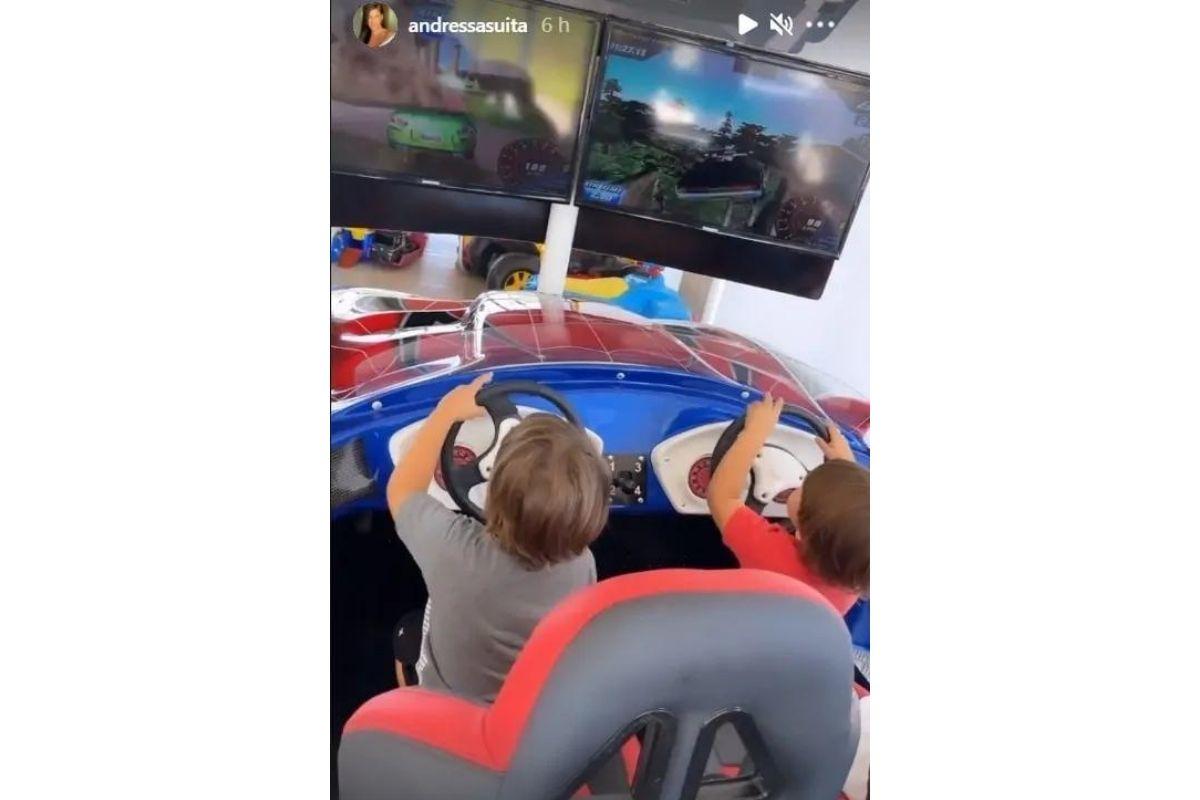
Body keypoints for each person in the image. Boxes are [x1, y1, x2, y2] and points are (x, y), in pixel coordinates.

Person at [386, 373, 611, 703]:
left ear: (493, 495)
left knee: (406, 631)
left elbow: (401, 490)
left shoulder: (453, 550)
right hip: (531, 710)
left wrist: (446, 413)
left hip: (450, 707)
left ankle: (412, 701)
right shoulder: (582, 564)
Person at [706, 393, 869, 615]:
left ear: (803, 526)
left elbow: (722, 496)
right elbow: (856, 521)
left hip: (733, 616)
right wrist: (843, 467)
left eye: (805, 485)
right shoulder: (852, 578)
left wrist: (754, 433)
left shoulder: (770, 553)